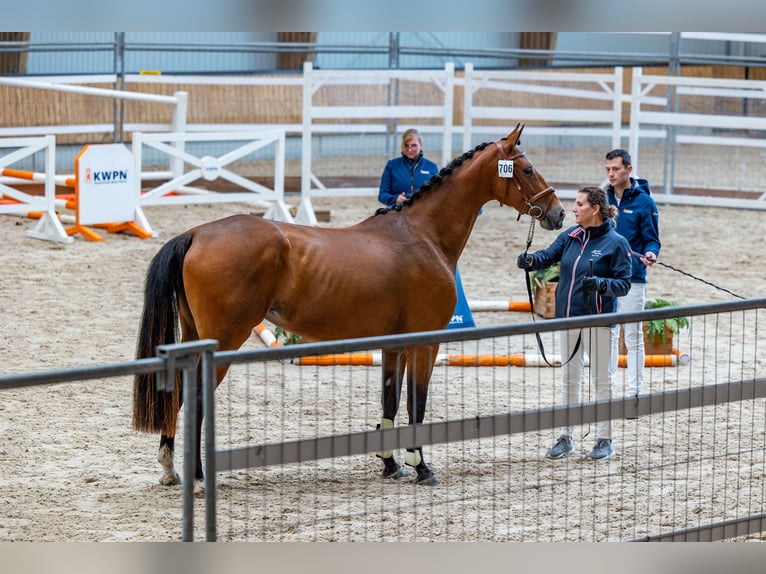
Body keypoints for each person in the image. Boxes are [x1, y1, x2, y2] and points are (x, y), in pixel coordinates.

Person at [517, 186, 631, 460]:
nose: (574, 208)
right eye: (575, 203)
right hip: (568, 320)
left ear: (595, 209)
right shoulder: (570, 236)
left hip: (600, 322)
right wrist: (531, 260)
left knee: (603, 381)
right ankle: (565, 437)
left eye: (580, 204)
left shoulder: (616, 244)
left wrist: (601, 284)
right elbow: (548, 256)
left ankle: (605, 439)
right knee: (570, 379)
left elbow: (624, 284)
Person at [378, 128, 475, 329]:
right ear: (402, 148)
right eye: (407, 145)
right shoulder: (392, 166)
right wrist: (395, 199)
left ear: (421, 145)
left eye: (414, 145)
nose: (410, 149)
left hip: (423, 224)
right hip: (396, 219)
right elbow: (382, 193)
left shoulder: (431, 167)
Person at [603, 149, 661, 397]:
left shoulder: (644, 202)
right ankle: (608, 391)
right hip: (605, 278)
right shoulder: (602, 199)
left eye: (615, 169)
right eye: (607, 169)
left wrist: (650, 254)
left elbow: (652, 239)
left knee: (633, 336)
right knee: (608, 334)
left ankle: (634, 393)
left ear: (628, 169)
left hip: (632, 277)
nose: (611, 174)